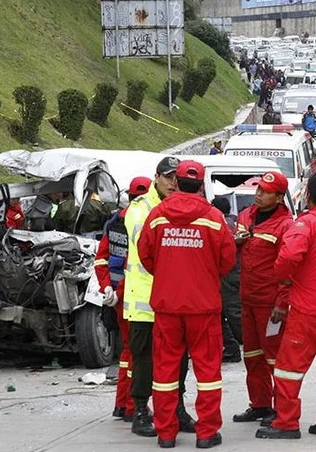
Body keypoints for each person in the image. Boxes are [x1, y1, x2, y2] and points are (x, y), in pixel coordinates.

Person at [138, 160, 236, 449]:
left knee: (165, 371)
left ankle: (166, 433)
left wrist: (169, 272)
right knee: (207, 371)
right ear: (202, 184)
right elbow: (228, 260)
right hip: (203, 307)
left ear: (177, 182)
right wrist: (204, 274)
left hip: (167, 306)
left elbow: (146, 256)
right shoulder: (214, 218)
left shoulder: (157, 215)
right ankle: (207, 433)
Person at [256, 171, 316, 440]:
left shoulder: (307, 223)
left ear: (309, 195)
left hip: (310, 308)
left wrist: (280, 277)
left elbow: (288, 257)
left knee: (289, 366)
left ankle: (286, 422)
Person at [123, 156, 196, 438]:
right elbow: (150, 250)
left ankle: (176, 407)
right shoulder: (140, 209)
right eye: (167, 177)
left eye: (176, 177)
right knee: (143, 359)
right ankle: (141, 410)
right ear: (156, 178)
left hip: (175, 298)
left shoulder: (183, 207)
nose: (173, 183)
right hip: (144, 300)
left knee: (179, 358)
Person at [232, 171, 294, 426]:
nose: (258, 195)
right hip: (247, 299)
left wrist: (281, 303)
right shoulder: (246, 216)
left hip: (270, 304)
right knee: (253, 356)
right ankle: (259, 404)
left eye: (265, 192)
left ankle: (281, 409)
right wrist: (235, 242)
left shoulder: (286, 225)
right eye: (258, 190)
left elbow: (289, 269)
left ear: (279, 198)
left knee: (274, 358)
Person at [95, 176, 151, 422]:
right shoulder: (144, 221)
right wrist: (115, 292)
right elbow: (136, 265)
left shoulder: (114, 221)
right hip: (134, 297)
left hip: (117, 297)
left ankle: (121, 404)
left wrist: (106, 287)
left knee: (127, 353)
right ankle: (131, 406)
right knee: (138, 355)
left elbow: (101, 258)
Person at [211, 197, 242, 364]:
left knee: (231, 314)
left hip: (227, 274)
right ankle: (233, 347)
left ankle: (238, 345)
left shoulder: (221, 223)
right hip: (235, 272)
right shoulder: (235, 221)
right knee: (225, 313)